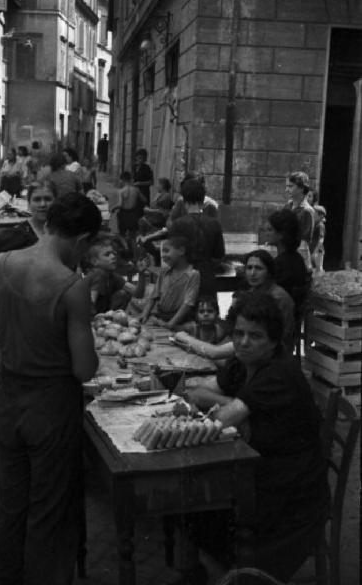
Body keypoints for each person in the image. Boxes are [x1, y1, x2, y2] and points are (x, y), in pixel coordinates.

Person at [0, 192, 102, 584]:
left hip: (10, 398)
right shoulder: (70, 286)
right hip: (51, 407)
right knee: (46, 514)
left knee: (10, 508)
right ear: (81, 241)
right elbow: (83, 369)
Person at [184, 292, 329, 584]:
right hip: (260, 469)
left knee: (199, 503)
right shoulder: (242, 363)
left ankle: (229, 575)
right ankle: (202, 573)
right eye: (238, 333)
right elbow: (194, 391)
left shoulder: (279, 373)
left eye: (255, 336)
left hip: (291, 491)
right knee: (192, 506)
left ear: (274, 341)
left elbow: (217, 419)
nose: (243, 342)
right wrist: (239, 406)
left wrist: (232, 407)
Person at [174, 249, 295, 359]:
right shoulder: (249, 294)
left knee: (209, 355)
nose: (252, 273)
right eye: (249, 268)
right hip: (245, 344)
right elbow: (231, 326)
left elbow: (280, 337)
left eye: (258, 268)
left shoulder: (279, 298)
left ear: (269, 272)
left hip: (267, 353)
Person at [139, 176, 225, 296]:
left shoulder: (177, 225)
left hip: (183, 280)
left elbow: (170, 257)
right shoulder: (214, 224)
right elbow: (219, 256)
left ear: (184, 200)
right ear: (202, 199)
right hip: (206, 279)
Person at [140, 235, 200, 329]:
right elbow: (153, 297)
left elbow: (187, 304)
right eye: (162, 252)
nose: (162, 255)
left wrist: (171, 324)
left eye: (166, 251)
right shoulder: (164, 272)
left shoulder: (193, 275)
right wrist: (144, 314)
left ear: (181, 251)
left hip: (179, 321)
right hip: (161, 318)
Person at [85, 233, 141, 315]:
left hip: (101, 315)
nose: (113, 256)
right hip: (91, 317)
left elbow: (138, 293)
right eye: (107, 254)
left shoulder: (112, 276)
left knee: (124, 294)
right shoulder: (98, 274)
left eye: (113, 253)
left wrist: (142, 273)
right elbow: (90, 304)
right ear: (94, 261)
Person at [284, 171, 315, 270]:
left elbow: (304, 243)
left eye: (290, 186)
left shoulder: (307, 211)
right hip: (285, 254)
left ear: (301, 188)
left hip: (298, 260)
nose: (286, 190)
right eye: (287, 186)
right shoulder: (288, 205)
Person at [111, 171, 147, 239]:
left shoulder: (121, 191)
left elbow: (120, 204)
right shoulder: (136, 189)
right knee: (132, 235)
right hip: (133, 214)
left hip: (123, 214)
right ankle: (132, 248)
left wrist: (113, 208)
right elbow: (144, 200)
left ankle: (125, 248)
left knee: (122, 234)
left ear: (122, 180)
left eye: (120, 180)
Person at [312, 205, 326, 273]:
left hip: (318, 251)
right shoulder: (314, 224)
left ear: (320, 215)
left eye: (314, 213)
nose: (312, 214)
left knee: (318, 270)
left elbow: (321, 240)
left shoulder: (320, 225)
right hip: (313, 249)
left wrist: (314, 252)